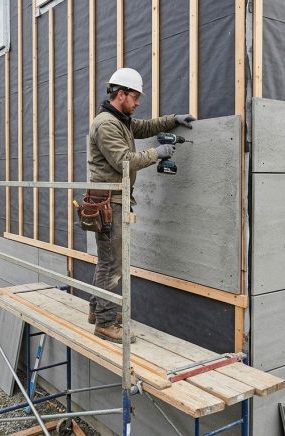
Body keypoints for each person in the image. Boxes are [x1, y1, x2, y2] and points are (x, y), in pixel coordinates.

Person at [86, 67, 196, 343]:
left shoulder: (120, 120)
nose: (137, 103)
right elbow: (125, 161)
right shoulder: (106, 124)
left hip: (114, 199)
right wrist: (156, 153)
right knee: (113, 264)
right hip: (109, 202)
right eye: (135, 97)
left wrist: (174, 119)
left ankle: (98, 309)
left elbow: (145, 126)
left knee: (107, 261)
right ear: (120, 94)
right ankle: (106, 323)